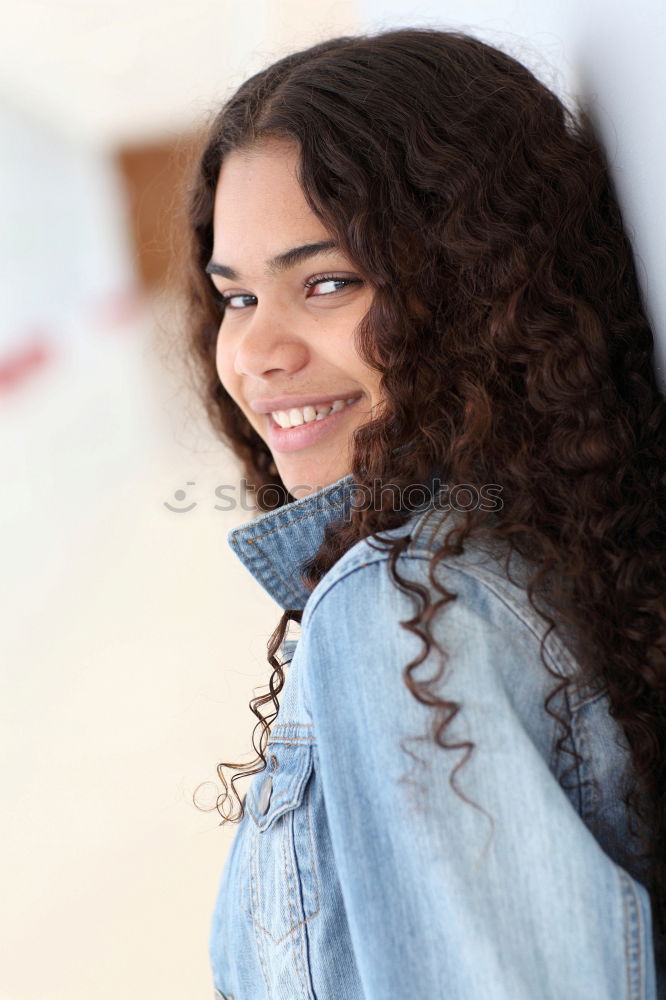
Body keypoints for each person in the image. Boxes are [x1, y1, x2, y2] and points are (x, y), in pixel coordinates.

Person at [181, 26, 666, 1000]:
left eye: (326, 281)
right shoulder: (543, 559)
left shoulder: (400, 614)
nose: (257, 354)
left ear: (475, 284)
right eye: (236, 298)